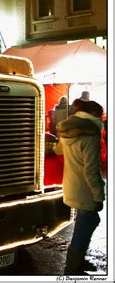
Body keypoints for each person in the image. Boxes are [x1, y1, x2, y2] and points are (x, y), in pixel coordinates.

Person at [56, 100, 105, 274]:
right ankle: (72, 268)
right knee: (84, 226)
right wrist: (99, 197)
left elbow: (58, 150)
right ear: (93, 115)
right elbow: (91, 171)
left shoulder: (68, 130)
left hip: (71, 186)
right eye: (100, 115)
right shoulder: (90, 135)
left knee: (86, 223)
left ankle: (77, 261)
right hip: (86, 192)